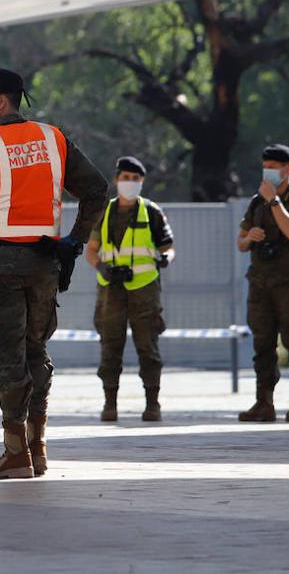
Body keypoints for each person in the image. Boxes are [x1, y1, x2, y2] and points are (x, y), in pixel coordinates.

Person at [0, 68, 107, 480]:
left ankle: (15, 453)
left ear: (1, 101)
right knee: (36, 352)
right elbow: (95, 188)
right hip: (44, 264)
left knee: (8, 356)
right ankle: (38, 448)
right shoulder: (54, 139)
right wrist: (74, 239)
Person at [84, 157, 175, 423]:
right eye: (125, 178)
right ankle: (109, 403)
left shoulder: (152, 212)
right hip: (111, 288)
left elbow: (168, 246)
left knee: (148, 345)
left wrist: (165, 259)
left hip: (144, 288)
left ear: (142, 182)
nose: (129, 183)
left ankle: (152, 404)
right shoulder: (104, 212)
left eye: (135, 179)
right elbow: (91, 250)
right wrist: (101, 268)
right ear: (116, 180)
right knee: (110, 345)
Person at [237, 144, 289, 424]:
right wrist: (251, 238)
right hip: (260, 284)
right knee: (263, 345)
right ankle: (264, 403)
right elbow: (241, 242)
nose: (268, 171)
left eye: (274, 166)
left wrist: (274, 201)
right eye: (266, 166)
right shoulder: (256, 201)